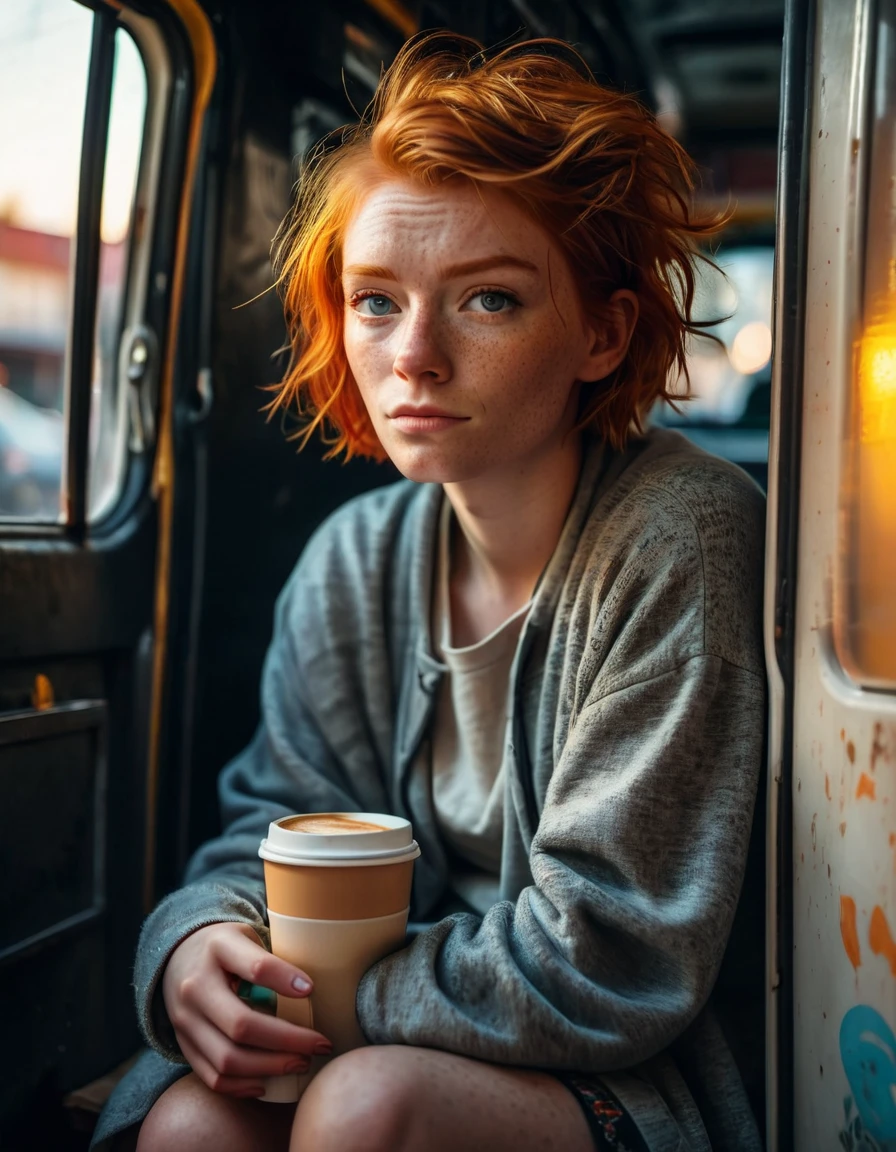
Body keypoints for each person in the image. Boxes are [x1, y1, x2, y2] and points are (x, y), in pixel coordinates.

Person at [93, 30, 767, 1152]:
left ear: (601, 332)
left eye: (488, 300)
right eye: (374, 301)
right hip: (381, 1018)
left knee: (371, 1110)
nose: (412, 355)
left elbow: (612, 957)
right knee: (187, 1128)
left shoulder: (680, 536)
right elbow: (268, 831)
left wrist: (313, 1004)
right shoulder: (353, 557)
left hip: (630, 1065)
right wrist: (200, 947)